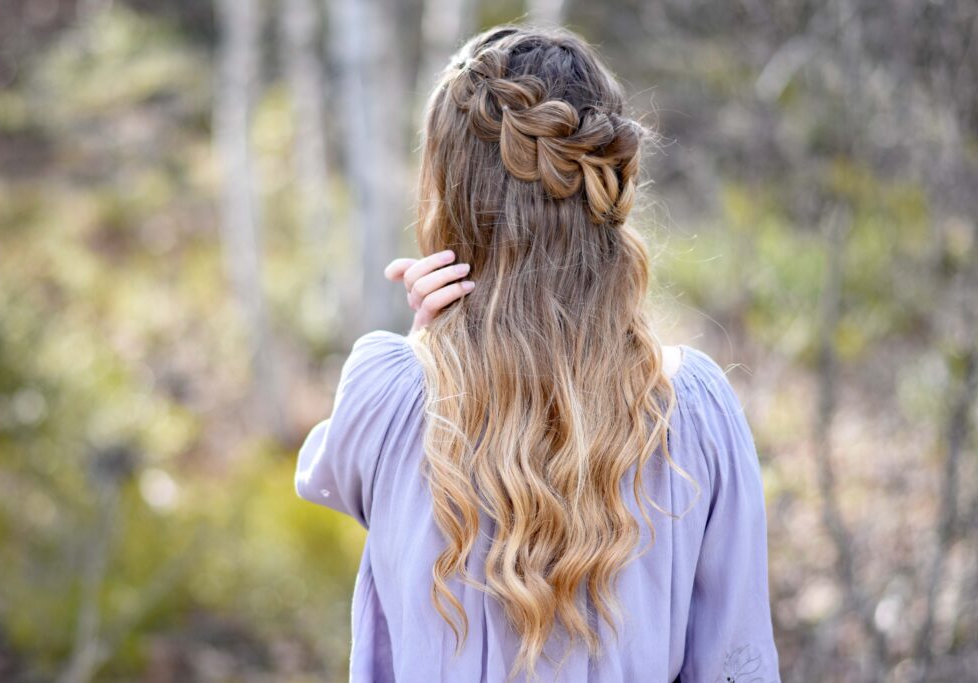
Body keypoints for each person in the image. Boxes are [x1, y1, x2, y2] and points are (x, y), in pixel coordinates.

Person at [296, 24, 780, 683]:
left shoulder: (388, 398)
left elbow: (328, 474)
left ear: (450, 197)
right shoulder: (695, 410)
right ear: (604, 197)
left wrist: (425, 341)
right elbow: (735, 661)